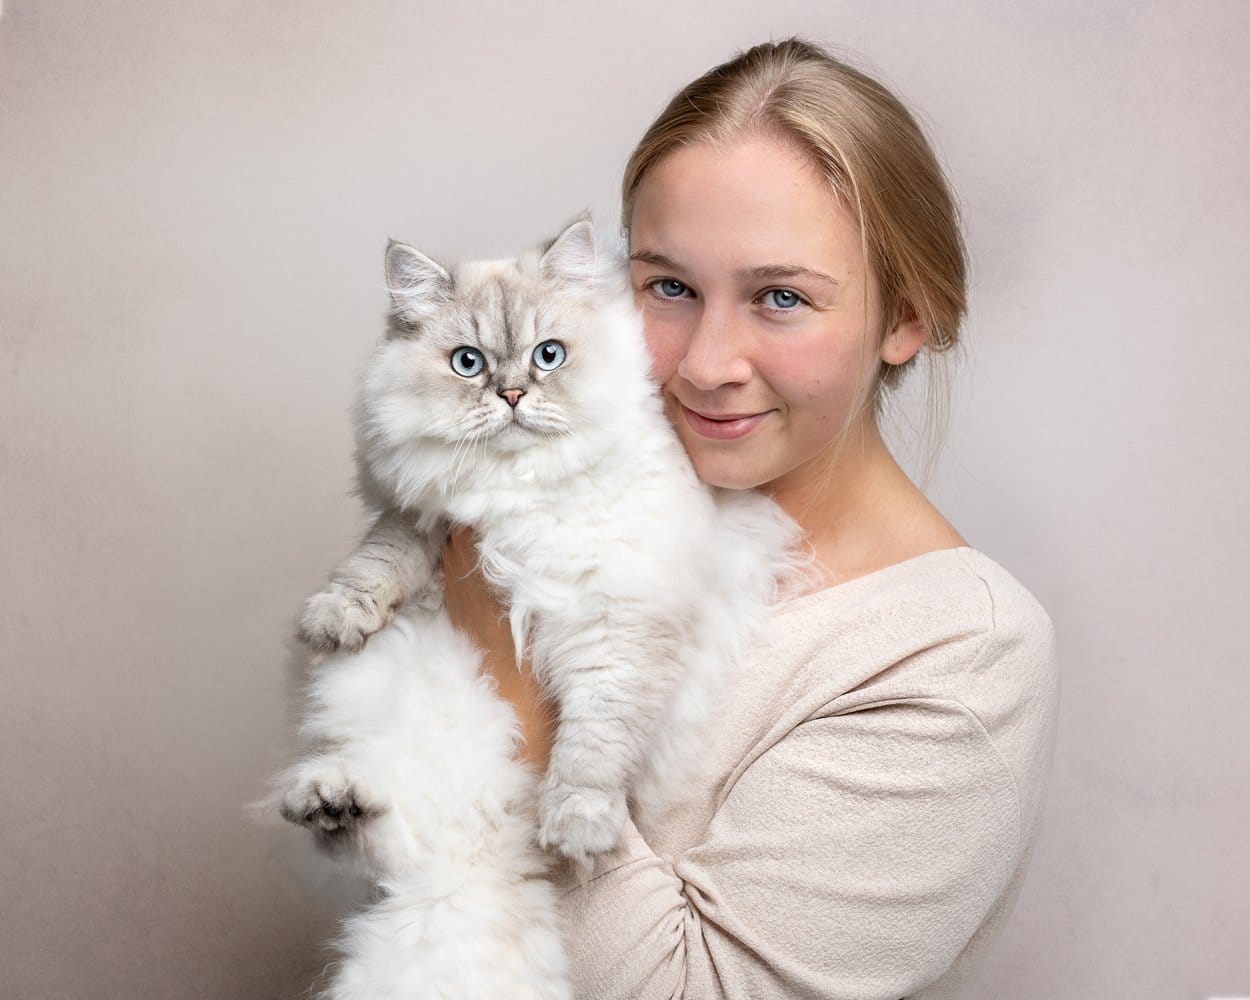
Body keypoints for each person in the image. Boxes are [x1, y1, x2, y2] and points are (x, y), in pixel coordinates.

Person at [441, 37, 1059, 999]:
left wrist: (498, 667)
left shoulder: (955, 656)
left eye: (781, 297)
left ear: (906, 315)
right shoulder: (559, 498)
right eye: (670, 288)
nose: (706, 362)